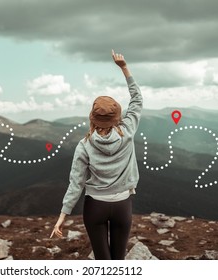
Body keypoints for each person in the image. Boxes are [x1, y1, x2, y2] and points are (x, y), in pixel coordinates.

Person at [50, 49, 143, 260]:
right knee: (118, 261)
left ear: (92, 118)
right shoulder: (128, 130)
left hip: (95, 207)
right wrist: (124, 68)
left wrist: (62, 216)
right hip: (122, 205)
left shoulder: (84, 146)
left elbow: (76, 184)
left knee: (103, 263)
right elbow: (137, 100)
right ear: (118, 117)